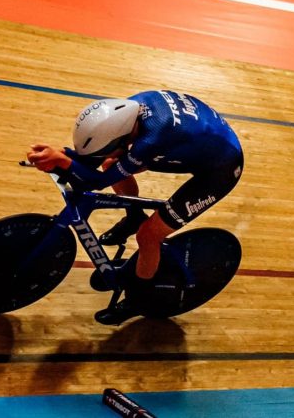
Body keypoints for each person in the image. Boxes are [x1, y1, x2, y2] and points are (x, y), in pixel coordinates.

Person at [26, 90, 243, 324]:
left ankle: (139, 297)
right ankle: (133, 217)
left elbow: (95, 182)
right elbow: (102, 156)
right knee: (112, 162)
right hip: (198, 142)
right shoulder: (128, 110)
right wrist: (64, 154)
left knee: (148, 235)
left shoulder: (152, 139)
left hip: (220, 170)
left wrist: (63, 162)